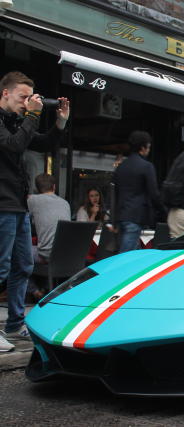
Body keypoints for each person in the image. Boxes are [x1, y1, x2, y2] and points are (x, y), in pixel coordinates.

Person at [0, 71, 69, 349]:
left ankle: (15, 325)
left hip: (17, 205)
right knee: (1, 267)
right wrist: (32, 115)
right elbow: (13, 145)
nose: (27, 102)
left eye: (30, 97)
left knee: (23, 266)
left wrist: (60, 123)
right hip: (1, 204)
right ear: (5, 92)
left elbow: (43, 144)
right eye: (22, 97)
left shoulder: (18, 120)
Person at [113, 131, 165, 253]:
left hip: (121, 216)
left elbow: (115, 192)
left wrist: (114, 220)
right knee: (125, 257)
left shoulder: (121, 166)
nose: (149, 149)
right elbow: (154, 194)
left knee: (133, 254)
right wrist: (164, 211)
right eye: (149, 147)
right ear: (143, 147)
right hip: (135, 216)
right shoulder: (147, 166)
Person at [27, 174, 71, 263]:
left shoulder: (33, 200)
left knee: (16, 250)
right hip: (67, 254)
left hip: (46, 256)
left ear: (37, 189)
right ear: (54, 187)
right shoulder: (65, 203)